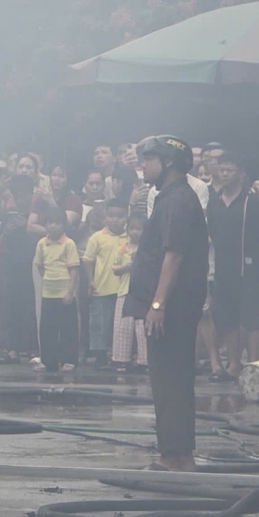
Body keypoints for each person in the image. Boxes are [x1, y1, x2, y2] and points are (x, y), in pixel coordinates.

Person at [126, 135, 208, 473]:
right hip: (168, 306)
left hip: (172, 308)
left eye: (149, 159)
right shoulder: (167, 197)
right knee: (166, 379)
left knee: (171, 379)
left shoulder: (178, 200)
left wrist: (158, 305)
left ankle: (175, 456)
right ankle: (174, 453)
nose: (142, 166)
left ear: (168, 163)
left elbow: (173, 256)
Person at [206, 156, 259, 379]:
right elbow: (212, 232)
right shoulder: (214, 202)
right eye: (221, 170)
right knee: (227, 318)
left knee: (252, 318)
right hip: (224, 268)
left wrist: (252, 253)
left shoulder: (252, 202)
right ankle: (234, 364)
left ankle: (253, 364)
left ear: (240, 173)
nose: (224, 174)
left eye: (229, 170)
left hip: (249, 267)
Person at [0, 174, 41, 360]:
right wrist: (7, 231)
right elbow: (0, 246)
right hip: (13, 267)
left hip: (36, 266)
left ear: (32, 194)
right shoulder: (9, 216)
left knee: (33, 307)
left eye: (24, 195)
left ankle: (34, 347)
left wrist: (27, 226)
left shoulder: (38, 216)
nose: (21, 200)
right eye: (17, 196)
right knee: (13, 307)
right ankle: (13, 348)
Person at [84, 199, 131, 366]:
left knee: (121, 326)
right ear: (105, 217)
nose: (115, 219)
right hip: (102, 288)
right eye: (111, 215)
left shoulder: (131, 237)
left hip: (125, 289)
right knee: (100, 324)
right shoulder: (97, 237)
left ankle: (120, 355)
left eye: (120, 216)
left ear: (127, 217)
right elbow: (88, 260)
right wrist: (90, 280)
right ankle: (100, 357)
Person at [33, 210, 81, 373]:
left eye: (57, 223)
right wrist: (48, 279)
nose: (53, 226)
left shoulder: (69, 244)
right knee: (47, 328)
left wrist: (70, 291)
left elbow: (74, 270)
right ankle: (48, 361)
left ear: (63, 225)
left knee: (68, 328)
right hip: (48, 293)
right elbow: (39, 265)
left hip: (65, 292)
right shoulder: (41, 243)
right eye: (50, 223)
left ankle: (69, 359)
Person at [110, 214, 148, 372]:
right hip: (124, 291)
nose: (135, 232)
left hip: (143, 292)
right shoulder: (123, 248)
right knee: (123, 326)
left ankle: (145, 361)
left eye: (138, 229)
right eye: (132, 228)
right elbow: (115, 269)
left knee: (142, 328)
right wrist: (128, 266)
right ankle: (121, 359)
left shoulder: (148, 248)